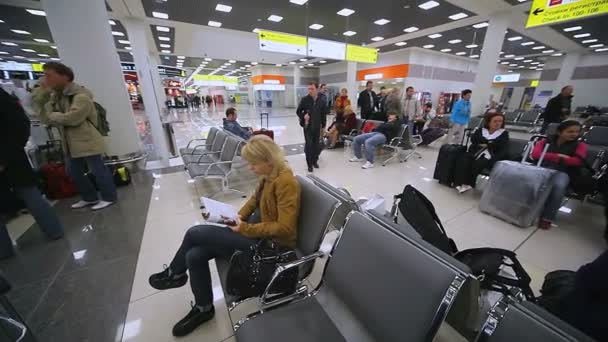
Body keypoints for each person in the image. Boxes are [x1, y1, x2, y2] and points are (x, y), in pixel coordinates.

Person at [148, 135, 301, 337]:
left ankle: (174, 275)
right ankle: (203, 309)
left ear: (268, 161)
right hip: (256, 235)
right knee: (194, 255)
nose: (250, 168)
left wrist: (245, 228)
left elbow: (286, 229)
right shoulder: (268, 176)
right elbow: (253, 201)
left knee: (195, 232)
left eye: (253, 164)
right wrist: (236, 217)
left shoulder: (286, 182)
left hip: (270, 248)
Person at [34, 62, 117, 211]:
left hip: (88, 141)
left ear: (64, 76)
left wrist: (54, 115)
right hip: (69, 143)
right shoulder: (57, 97)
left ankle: (109, 197)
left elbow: (73, 118)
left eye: (49, 75)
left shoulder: (80, 96)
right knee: (72, 171)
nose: (45, 79)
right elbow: (46, 119)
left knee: (98, 170)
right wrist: (45, 97)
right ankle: (89, 197)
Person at [0, 87, 64, 259]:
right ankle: (4, 252)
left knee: (30, 195)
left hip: (10, 159)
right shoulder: (6, 99)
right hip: (12, 156)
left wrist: (4, 158)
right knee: (30, 194)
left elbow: (20, 126)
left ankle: (54, 231)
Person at [531, 120, 587, 230]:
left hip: (563, 171)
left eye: (577, 132)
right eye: (570, 131)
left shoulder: (580, 145)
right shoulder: (545, 141)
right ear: (559, 132)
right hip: (542, 168)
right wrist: (559, 156)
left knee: (558, 187)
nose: (574, 134)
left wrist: (548, 156)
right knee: (526, 180)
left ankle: (547, 218)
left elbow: (577, 161)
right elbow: (536, 154)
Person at [453, 112, 510, 194]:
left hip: (491, 156)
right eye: (495, 121)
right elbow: (474, 140)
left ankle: (469, 183)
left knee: (478, 163)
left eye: (500, 121)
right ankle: (458, 182)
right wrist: (489, 143)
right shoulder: (481, 130)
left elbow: (499, 145)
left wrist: (487, 143)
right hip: (475, 152)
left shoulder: (504, 133)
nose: (498, 123)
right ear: (489, 122)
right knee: (463, 159)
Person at [297, 82, 328, 172]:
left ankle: (314, 161)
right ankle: (309, 164)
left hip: (317, 126)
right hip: (307, 127)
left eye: (312, 89)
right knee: (309, 145)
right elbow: (298, 111)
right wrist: (303, 116)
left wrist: (323, 126)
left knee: (316, 145)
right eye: (309, 89)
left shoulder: (321, 101)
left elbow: (323, 114)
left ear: (317, 89)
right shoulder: (304, 99)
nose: (310, 91)